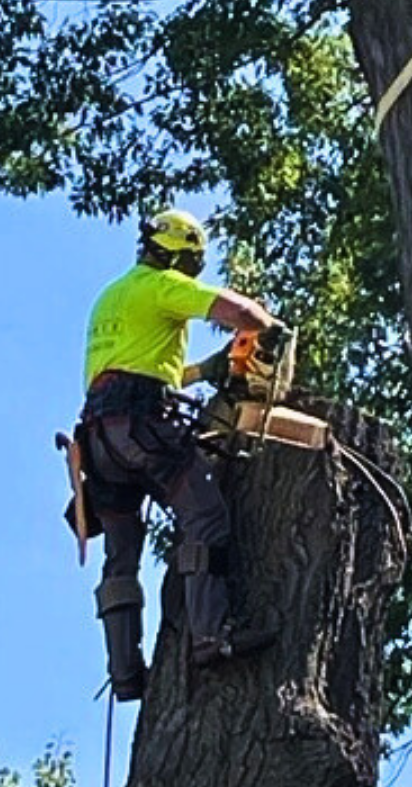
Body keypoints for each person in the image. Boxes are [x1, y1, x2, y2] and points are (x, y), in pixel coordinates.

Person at [77, 208, 285, 701]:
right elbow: (242, 314)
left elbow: (139, 366)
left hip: (99, 441)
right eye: (193, 262)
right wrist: (270, 328)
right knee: (205, 517)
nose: (193, 271)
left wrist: (206, 369)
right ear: (180, 255)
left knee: (121, 555)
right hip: (143, 428)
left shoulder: (114, 295)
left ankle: (126, 673)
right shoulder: (163, 285)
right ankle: (212, 635)